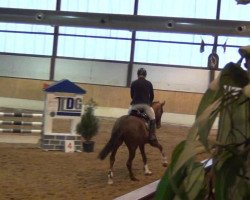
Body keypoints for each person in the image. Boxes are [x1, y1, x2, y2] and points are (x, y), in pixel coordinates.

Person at [128, 67, 157, 142]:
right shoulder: (149, 83)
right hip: (145, 105)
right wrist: (149, 102)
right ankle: (151, 135)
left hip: (134, 105)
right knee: (152, 118)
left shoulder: (133, 83)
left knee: (127, 117)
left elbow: (132, 95)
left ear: (138, 74)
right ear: (145, 75)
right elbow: (152, 96)